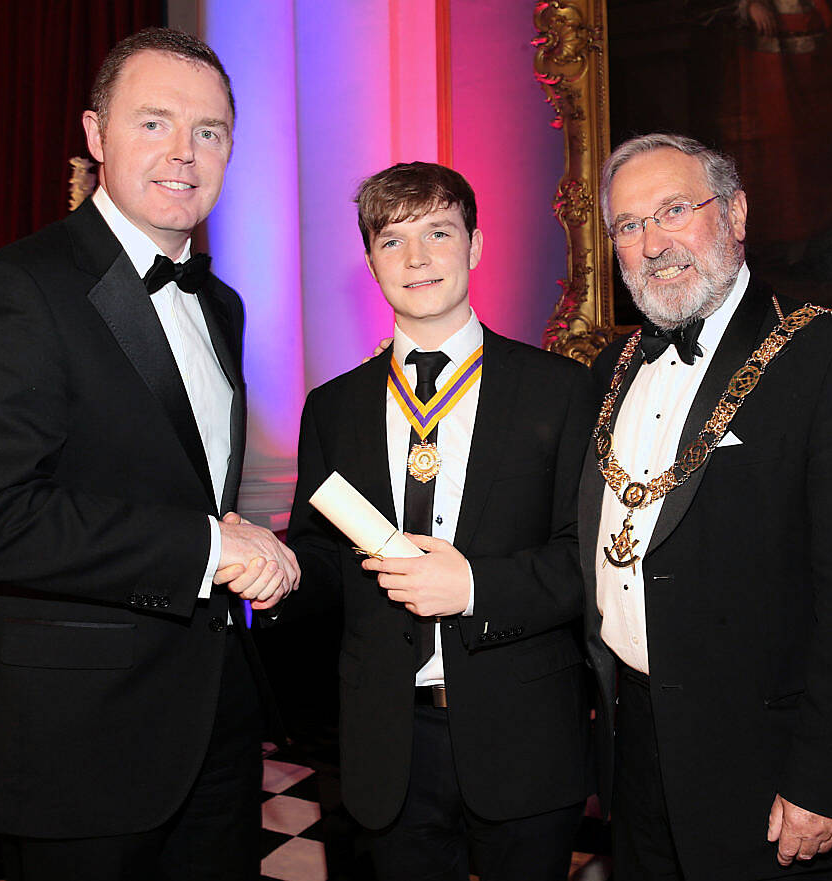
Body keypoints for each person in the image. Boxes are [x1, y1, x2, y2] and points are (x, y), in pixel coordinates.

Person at [0, 27, 297, 881]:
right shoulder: (15, 288)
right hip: (79, 737)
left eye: (209, 131)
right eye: (154, 123)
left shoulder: (224, 303)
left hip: (215, 720)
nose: (184, 152)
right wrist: (210, 547)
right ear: (96, 136)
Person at [578, 132, 832, 881]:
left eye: (674, 209)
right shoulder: (610, 369)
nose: (653, 242)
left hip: (767, 770)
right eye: (629, 226)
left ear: (734, 214)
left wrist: (830, 781)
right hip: (633, 755)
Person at [285, 161, 597, 881]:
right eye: (392, 241)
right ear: (370, 261)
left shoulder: (558, 390)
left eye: (438, 233)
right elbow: (322, 558)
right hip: (387, 738)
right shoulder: (331, 408)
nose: (417, 258)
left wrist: (475, 587)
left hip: (523, 731)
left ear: (476, 245)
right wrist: (276, 571)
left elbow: (587, 559)